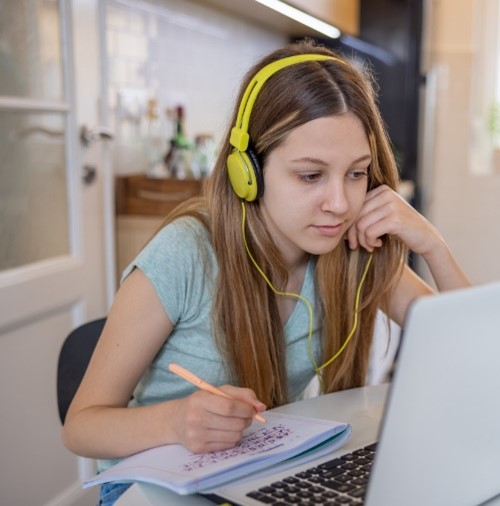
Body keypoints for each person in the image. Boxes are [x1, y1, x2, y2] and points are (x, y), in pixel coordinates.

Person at [62, 41, 470, 505]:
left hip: (252, 474)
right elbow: (81, 426)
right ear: (247, 172)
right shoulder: (186, 254)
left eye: (356, 174)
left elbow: (469, 352)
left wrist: (432, 245)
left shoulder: (350, 246)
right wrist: (174, 421)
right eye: (310, 176)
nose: (339, 203)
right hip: (149, 486)